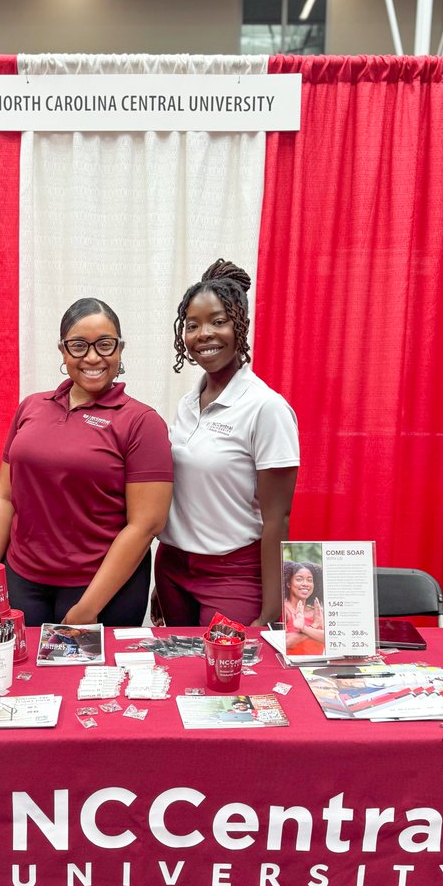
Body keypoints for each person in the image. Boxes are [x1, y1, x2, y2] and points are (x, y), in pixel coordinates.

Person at [0, 298, 173, 627]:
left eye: (104, 344)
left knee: (93, 680)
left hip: (102, 592)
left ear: (119, 349)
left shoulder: (142, 422)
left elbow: (145, 526)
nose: (92, 357)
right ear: (63, 351)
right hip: (22, 581)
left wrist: (88, 608)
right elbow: (4, 496)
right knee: (20, 676)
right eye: (78, 345)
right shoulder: (31, 407)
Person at [154, 259, 300, 627]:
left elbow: (277, 519)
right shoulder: (188, 403)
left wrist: (271, 612)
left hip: (233, 574)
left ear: (240, 326)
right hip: (172, 568)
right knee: (181, 678)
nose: (204, 334)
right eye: (193, 325)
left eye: (218, 321)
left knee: (228, 681)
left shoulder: (266, 408)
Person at [283, 560, 325, 655]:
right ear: (288, 583)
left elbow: (330, 638)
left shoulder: (317, 612)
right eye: (299, 579)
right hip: (291, 667)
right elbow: (285, 642)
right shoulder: (284, 609)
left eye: (309, 580)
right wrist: (314, 626)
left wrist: (304, 629)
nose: (305, 584)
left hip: (316, 667)